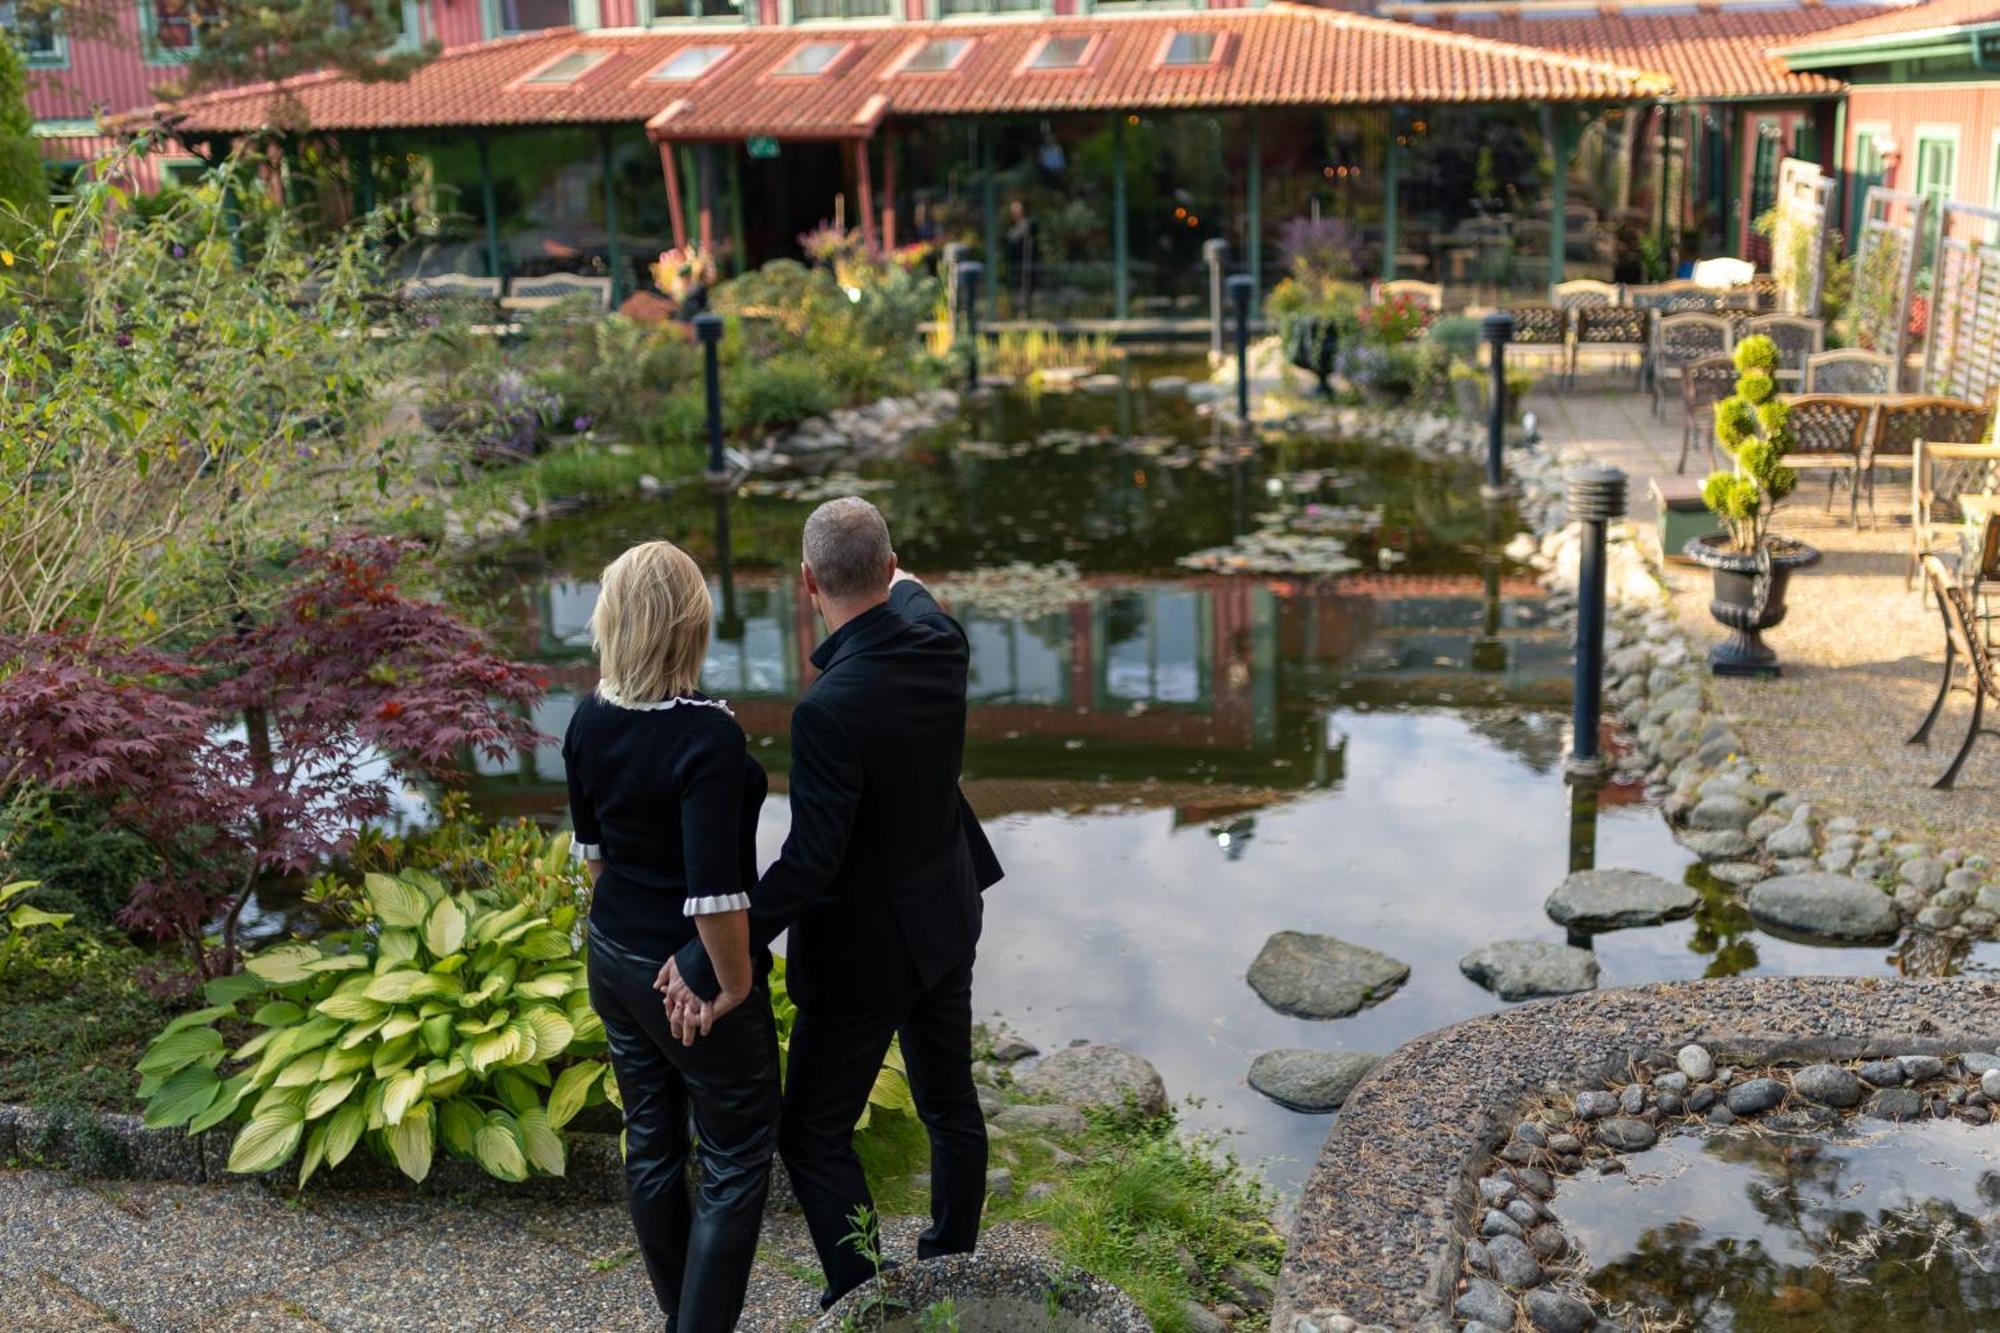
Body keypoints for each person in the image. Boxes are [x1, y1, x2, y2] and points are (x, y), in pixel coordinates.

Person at [660, 497, 1004, 1310]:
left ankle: (863, 1289)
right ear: (888, 567)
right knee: (951, 1103)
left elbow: (809, 863)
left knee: (812, 1132)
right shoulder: (941, 641)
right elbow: (916, 587)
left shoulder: (827, 711)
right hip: (946, 916)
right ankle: (948, 1261)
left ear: (806, 581)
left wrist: (712, 947)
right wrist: (894, 566)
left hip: (862, 960)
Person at [563, 540, 778, 1333]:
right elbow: (716, 896)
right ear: (692, 622)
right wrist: (733, 985)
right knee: (737, 1149)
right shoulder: (705, 738)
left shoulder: (589, 717)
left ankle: (679, 1313)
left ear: (614, 620)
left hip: (613, 956)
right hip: (683, 974)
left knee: (651, 1137)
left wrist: (630, 937)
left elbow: (596, 859)